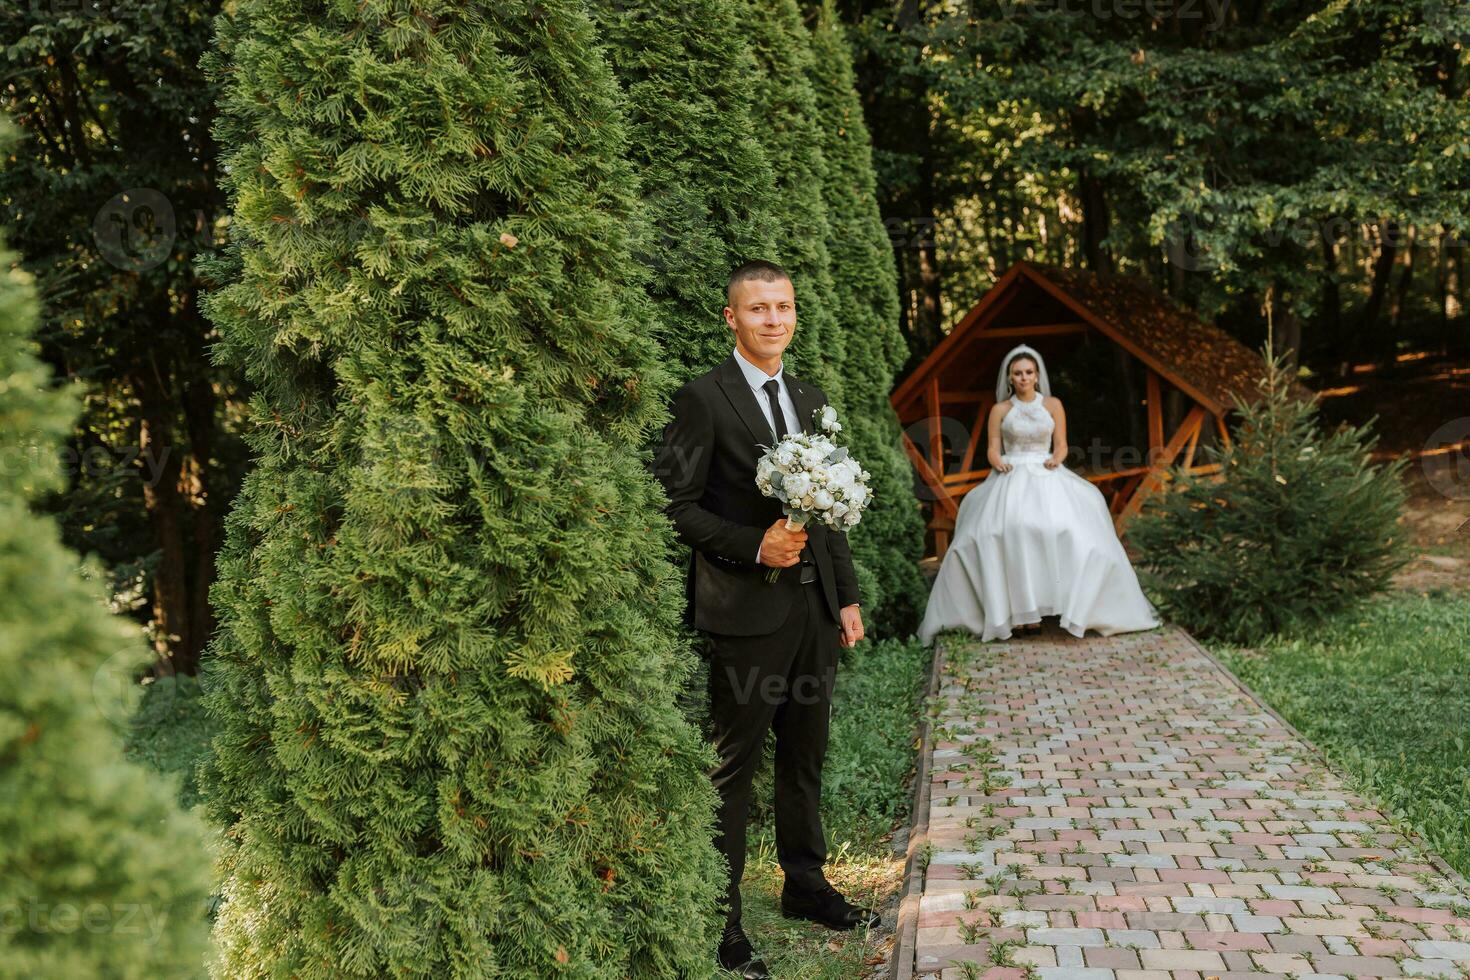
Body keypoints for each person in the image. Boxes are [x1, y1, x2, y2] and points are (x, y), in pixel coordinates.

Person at [653, 260, 879, 980]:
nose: (773, 319)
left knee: (805, 757)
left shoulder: (810, 399)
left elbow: (829, 509)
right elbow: (675, 505)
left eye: (782, 307)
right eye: (758, 309)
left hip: (813, 612)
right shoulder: (701, 401)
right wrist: (755, 545)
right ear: (732, 318)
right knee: (733, 769)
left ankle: (806, 886)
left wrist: (844, 596)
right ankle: (722, 923)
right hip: (746, 617)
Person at [918, 343, 1161, 645]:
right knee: (1005, 533)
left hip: (1046, 471)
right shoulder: (1000, 410)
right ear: (1009, 378)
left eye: (1028, 372)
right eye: (1017, 373)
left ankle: (1070, 607)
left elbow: (1060, 443)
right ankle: (1019, 614)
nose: (1023, 378)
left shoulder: (1053, 405)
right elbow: (993, 447)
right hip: (1011, 473)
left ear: (1037, 375)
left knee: (1069, 532)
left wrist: (1057, 458)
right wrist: (998, 461)